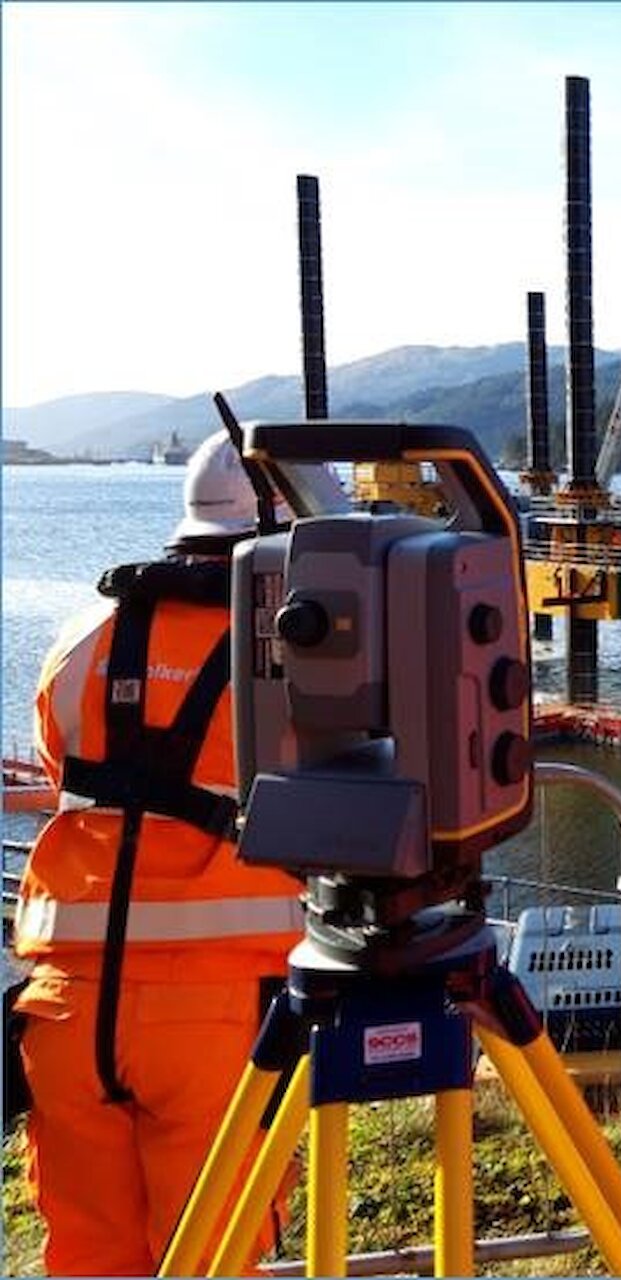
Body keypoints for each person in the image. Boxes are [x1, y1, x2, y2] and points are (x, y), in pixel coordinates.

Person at [12, 431, 321, 1275]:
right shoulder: (295, 650)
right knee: (212, 1255)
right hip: (215, 1015)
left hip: (66, 1010)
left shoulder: (82, 640)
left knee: (87, 1255)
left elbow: (62, 772)